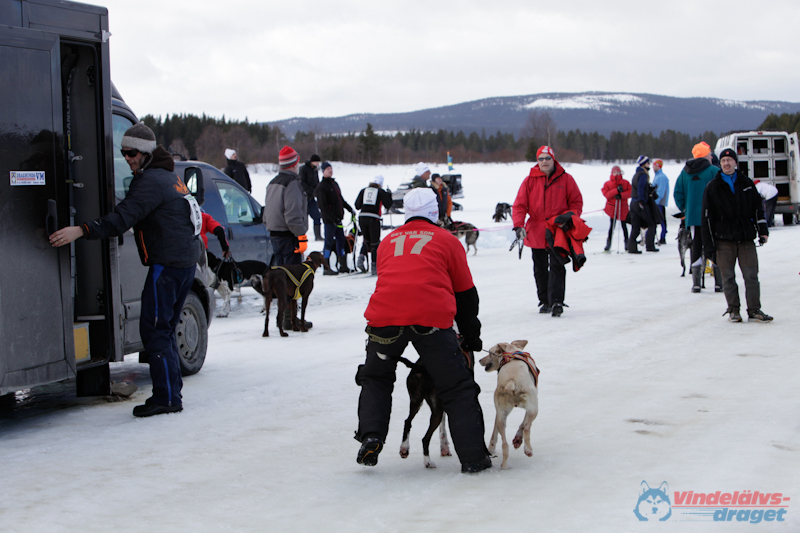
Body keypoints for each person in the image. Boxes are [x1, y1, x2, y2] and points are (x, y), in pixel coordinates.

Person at [49, 123, 200, 418]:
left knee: (155, 329)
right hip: (183, 263)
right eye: (123, 153)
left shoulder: (150, 181)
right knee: (165, 328)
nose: (127, 158)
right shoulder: (170, 177)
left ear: (144, 153)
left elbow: (121, 219)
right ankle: (170, 393)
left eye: (131, 153)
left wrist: (80, 230)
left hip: (167, 265)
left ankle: (167, 398)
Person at [355, 187, 491, 473]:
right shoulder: (447, 240)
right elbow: (466, 294)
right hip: (430, 320)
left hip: (384, 319)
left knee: (376, 379)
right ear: (436, 211)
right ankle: (474, 459)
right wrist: (471, 335)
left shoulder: (387, 241)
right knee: (457, 387)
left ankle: (371, 436)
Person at [701, 148, 772, 323]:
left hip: (746, 238)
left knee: (751, 276)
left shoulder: (746, 183)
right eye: (724, 161)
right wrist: (709, 246)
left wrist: (763, 231)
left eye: (729, 160)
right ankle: (733, 310)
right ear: (720, 164)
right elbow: (707, 219)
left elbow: (758, 209)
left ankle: (754, 310)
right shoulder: (712, 187)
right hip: (723, 240)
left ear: (735, 162)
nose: (726, 163)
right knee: (728, 277)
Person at [512, 146, 583, 317]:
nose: (544, 162)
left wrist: (568, 217)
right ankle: (544, 301)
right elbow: (519, 205)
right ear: (538, 161)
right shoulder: (529, 180)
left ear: (553, 159)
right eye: (541, 159)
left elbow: (576, 203)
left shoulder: (566, 179)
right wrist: (518, 225)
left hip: (558, 230)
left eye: (547, 158)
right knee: (540, 267)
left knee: (558, 265)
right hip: (536, 230)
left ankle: (557, 301)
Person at [674, 141, 721, 292]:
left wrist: (685, 209)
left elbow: (677, 193)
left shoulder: (684, 173)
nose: (711, 156)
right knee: (714, 245)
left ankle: (695, 284)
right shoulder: (714, 171)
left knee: (696, 245)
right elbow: (722, 192)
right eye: (709, 153)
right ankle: (719, 283)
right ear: (705, 155)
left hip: (693, 217)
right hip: (713, 216)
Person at [263, 145, 308, 267]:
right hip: (289, 237)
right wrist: (301, 236)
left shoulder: (272, 183)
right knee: (291, 279)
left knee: (280, 278)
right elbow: (293, 215)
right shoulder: (292, 184)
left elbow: (266, 213)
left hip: (275, 236)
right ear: (294, 164)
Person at [316, 162, 355, 275]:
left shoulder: (334, 184)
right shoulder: (322, 187)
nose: (330, 170)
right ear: (323, 171)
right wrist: (333, 218)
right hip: (329, 220)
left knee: (341, 241)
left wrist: (349, 208)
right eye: (328, 169)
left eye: (331, 168)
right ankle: (326, 267)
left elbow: (340, 200)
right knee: (328, 243)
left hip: (338, 219)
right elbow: (322, 206)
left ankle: (343, 265)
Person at [355, 175, 393, 275]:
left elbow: (357, 205)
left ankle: (361, 257)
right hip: (374, 218)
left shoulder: (364, 190)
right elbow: (388, 205)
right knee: (375, 243)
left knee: (366, 240)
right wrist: (388, 195)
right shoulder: (380, 191)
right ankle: (374, 266)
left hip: (362, 217)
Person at [627, 155, 660, 254]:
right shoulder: (643, 175)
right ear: (644, 164)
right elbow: (641, 188)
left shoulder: (636, 174)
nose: (649, 164)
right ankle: (650, 245)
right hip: (639, 202)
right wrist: (642, 200)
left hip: (633, 202)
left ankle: (632, 247)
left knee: (636, 226)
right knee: (651, 223)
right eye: (648, 163)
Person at [600, 165, 630, 251]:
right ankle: (608, 243)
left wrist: (621, 195)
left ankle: (627, 243)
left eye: (618, 172)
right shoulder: (607, 184)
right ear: (612, 173)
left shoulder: (626, 183)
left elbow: (630, 192)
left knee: (624, 226)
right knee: (612, 226)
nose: (616, 174)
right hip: (613, 208)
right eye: (615, 172)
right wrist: (616, 191)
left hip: (623, 207)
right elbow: (606, 194)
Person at [299, 154, 323, 241]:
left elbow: (317, 182)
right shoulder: (303, 169)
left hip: (312, 198)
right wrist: (311, 191)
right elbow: (302, 183)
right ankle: (302, 237)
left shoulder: (315, 170)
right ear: (312, 161)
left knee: (317, 216)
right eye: (316, 162)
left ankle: (318, 236)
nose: (318, 163)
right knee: (303, 219)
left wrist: (318, 191)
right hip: (304, 197)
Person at [652, 159, 670, 244]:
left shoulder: (661, 177)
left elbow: (661, 191)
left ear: (658, 166)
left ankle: (663, 237)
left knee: (661, 219)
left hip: (659, 202)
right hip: (657, 201)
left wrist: (656, 201)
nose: (653, 167)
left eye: (654, 165)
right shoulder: (657, 176)